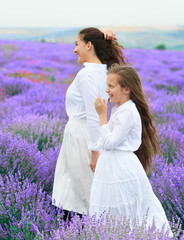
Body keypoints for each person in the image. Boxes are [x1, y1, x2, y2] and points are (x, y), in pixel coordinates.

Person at [51, 27, 126, 221]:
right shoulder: (103, 71)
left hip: (82, 138)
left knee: (80, 196)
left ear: (89, 45)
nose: (74, 49)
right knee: (81, 193)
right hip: (85, 136)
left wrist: (95, 154)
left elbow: (94, 114)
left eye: (77, 44)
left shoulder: (87, 74)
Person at [90, 64, 173, 235]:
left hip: (120, 168)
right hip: (112, 165)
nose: (107, 90)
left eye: (111, 86)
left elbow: (110, 142)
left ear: (126, 89)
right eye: (107, 85)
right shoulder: (119, 108)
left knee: (123, 212)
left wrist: (101, 115)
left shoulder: (127, 112)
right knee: (110, 211)